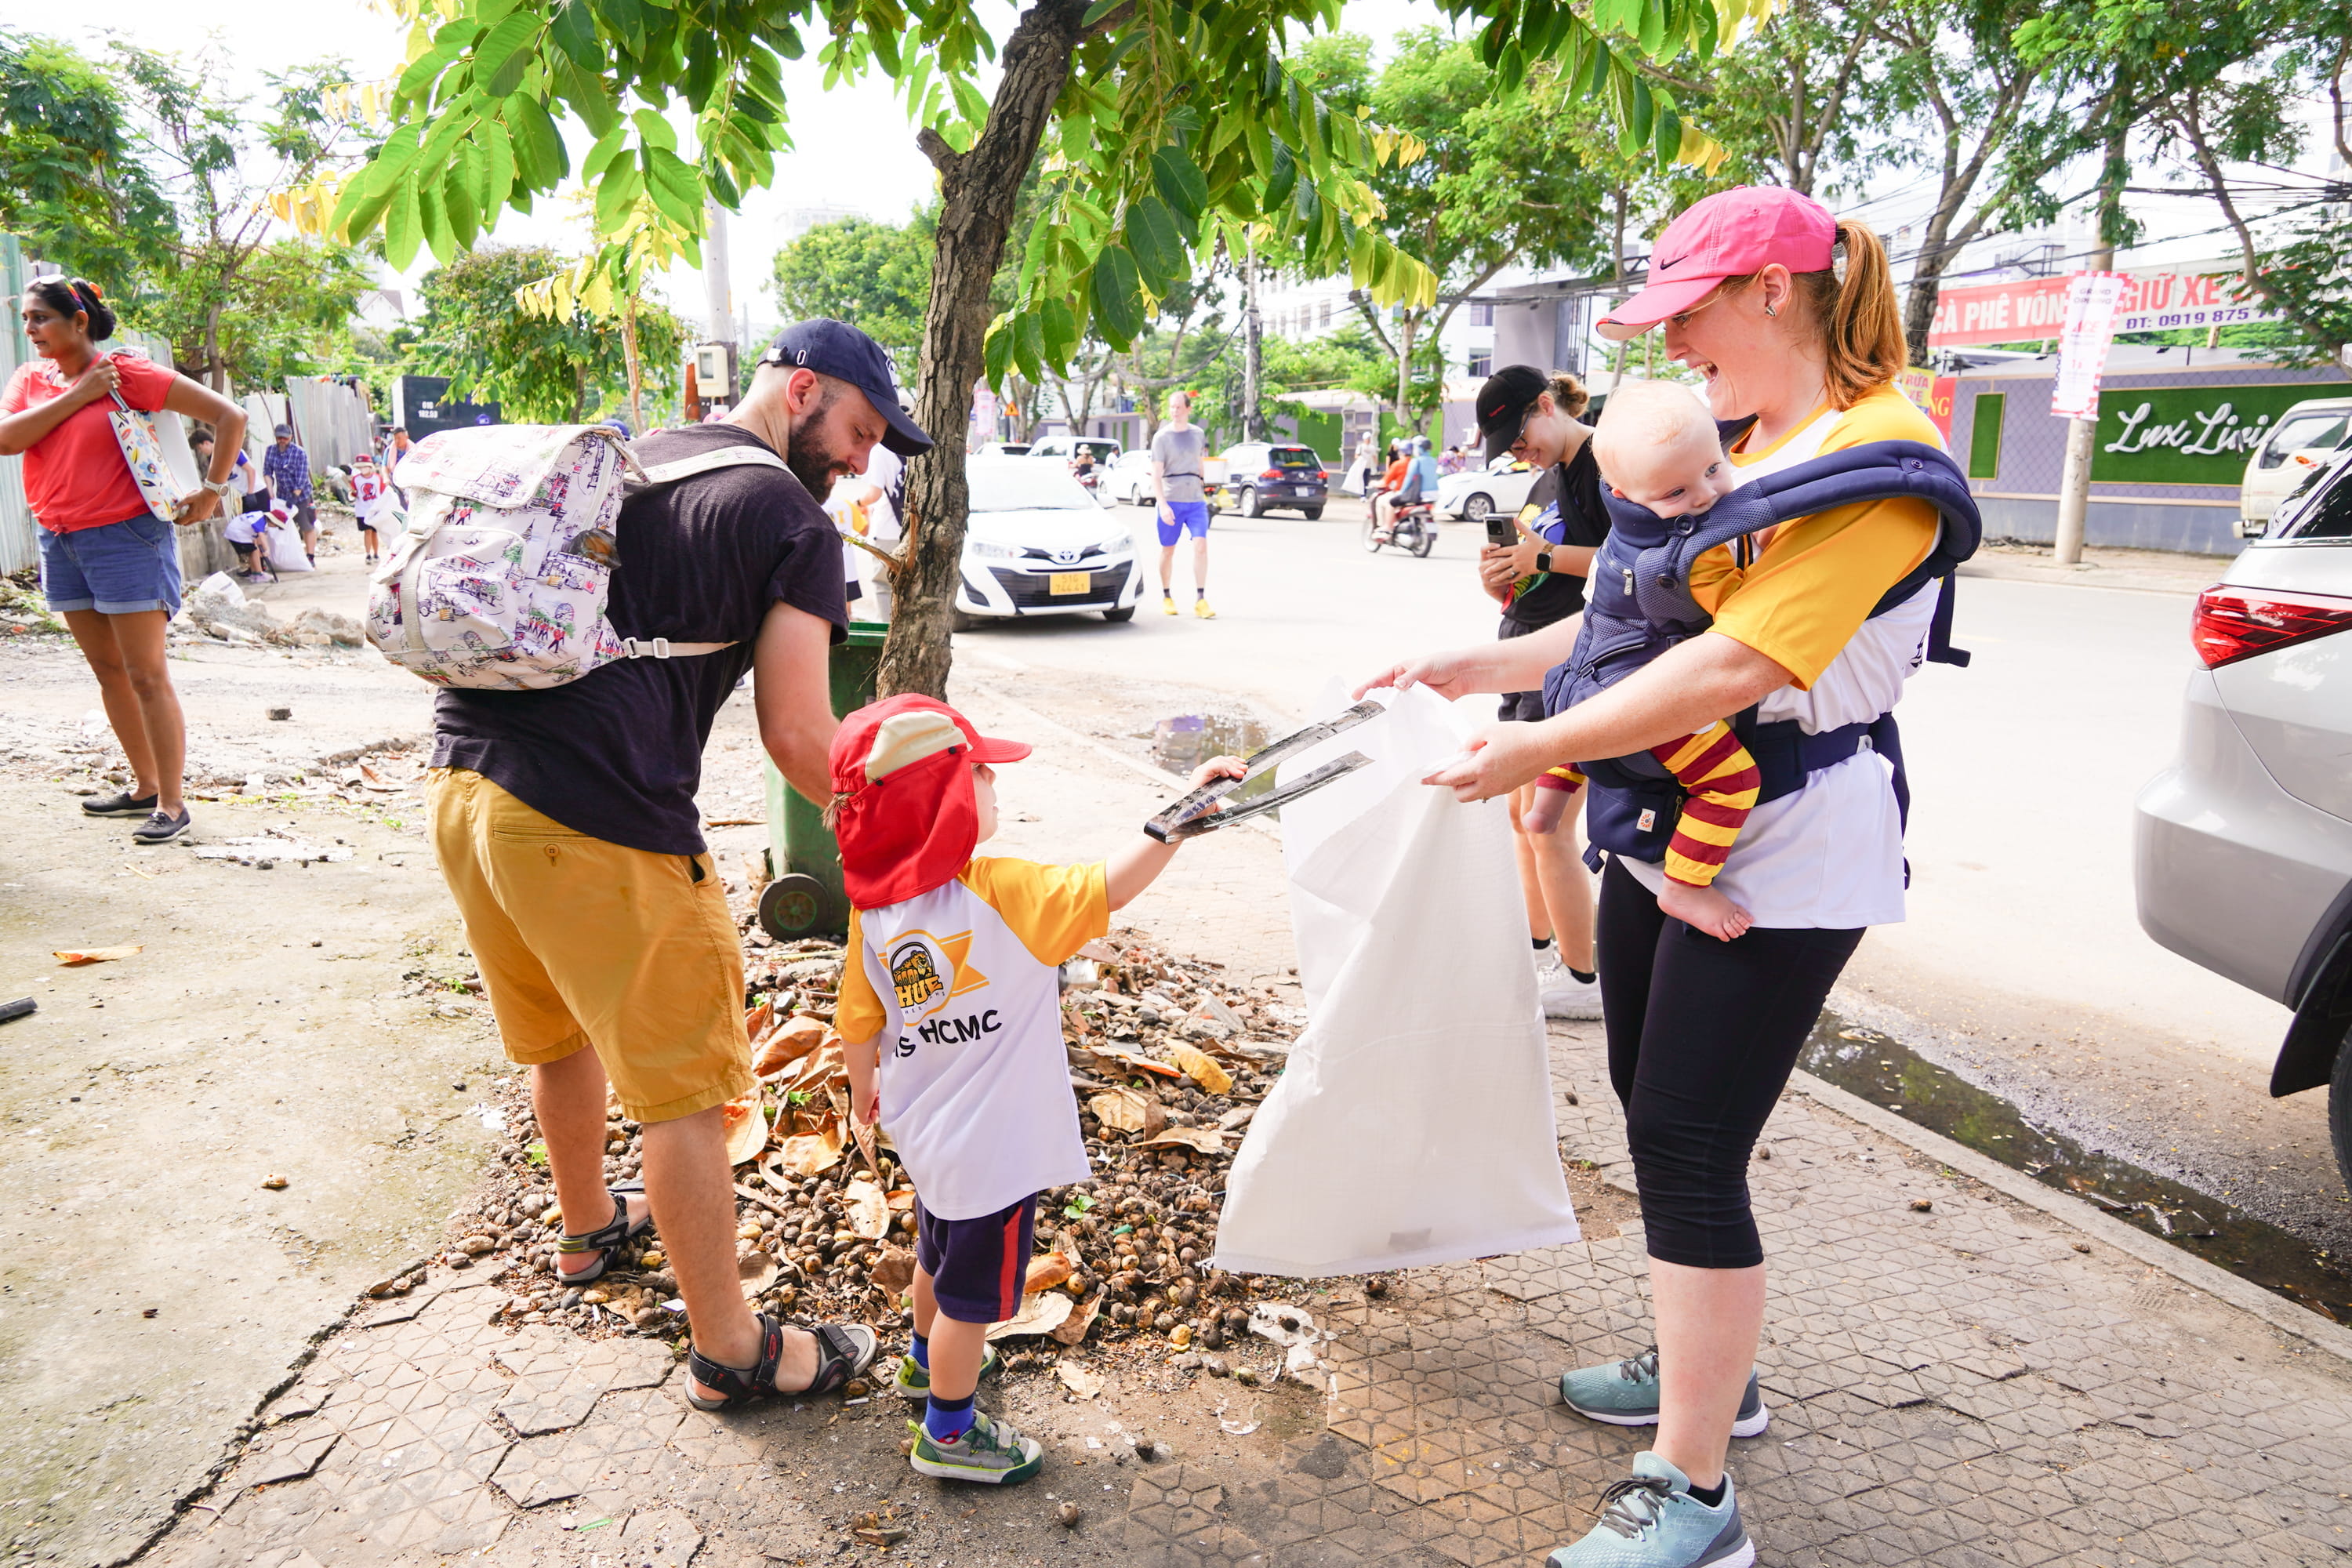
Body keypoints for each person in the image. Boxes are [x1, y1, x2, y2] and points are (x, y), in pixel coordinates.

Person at [1360, 186, 1948, 1568]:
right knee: (1651, 1097)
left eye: (1689, 317)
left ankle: (1693, 1495)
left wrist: (1537, 748)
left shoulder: (1880, 457)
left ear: (1772, 292)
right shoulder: (1753, 440)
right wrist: (1485, 668)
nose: (1678, 350)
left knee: (1684, 1134)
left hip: (1785, 846)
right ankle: (1713, 1380)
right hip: (1668, 814)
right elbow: (1639, 638)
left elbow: (1740, 666)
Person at [424, 318, 932, 1412]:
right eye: (857, 430)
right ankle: (734, 1353)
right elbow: (800, 737)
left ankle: (586, 1229)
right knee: (690, 1094)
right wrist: (906, 830)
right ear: (803, 392)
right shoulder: (788, 519)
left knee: (563, 1031)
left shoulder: (647, 453)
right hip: (591, 819)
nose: (859, 462)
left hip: (468, 787)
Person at [829, 692, 1244, 1483]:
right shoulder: (1002, 890)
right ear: (944, 801)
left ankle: (922, 1367)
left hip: (930, 1135)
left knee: (936, 1256)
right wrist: (1180, 818)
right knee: (973, 1299)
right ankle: (947, 1434)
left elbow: (857, 1020)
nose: (995, 786)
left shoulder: (875, 909)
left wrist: (861, 1097)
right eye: (982, 773)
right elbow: (1109, 887)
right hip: (997, 1149)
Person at [0, 277, 248, 845]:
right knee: (108, 671)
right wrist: (79, 396)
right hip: (60, 539)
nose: (31, 330)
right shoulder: (32, 378)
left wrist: (213, 490)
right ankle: (143, 787)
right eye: (27, 320)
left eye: (41, 318)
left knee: (145, 674)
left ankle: (172, 801)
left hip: (126, 538)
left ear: (79, 320)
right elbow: (7, 439)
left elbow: (229, 415)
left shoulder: (126, 374)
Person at [1469, 365, 1608, 1018]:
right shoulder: (1547, 479)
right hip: (1527, 655)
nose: (1517, 454)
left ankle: (1585, 979)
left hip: (1580, 665)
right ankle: (1535, 946)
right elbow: (1531, 565)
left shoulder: (1610, 464)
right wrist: (1500, 572)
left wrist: (1541, 559)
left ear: (1547, 407)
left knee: (1544, 821)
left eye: (1520, 438)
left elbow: (1632, 562)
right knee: (1520, 818)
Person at [1150, 391, 1214, 618]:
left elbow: (1200, 463)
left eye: (1178, 407)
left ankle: (1200, 599)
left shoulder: (1198, 434)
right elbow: (1156, 475)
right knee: (1168, 550)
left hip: (1195, 500)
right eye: (1172, 407)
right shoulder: (1162, 437)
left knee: (1201, 546)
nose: (1174, 411)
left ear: (1188, 408)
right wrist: (1163, 505)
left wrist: (1205, 487)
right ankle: (1167, 596)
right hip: (1171, 499)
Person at [262, 423, 318, 565]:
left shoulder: (299, 453)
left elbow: (302, 477)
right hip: (281, 495)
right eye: (279, 438)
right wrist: (270, 491)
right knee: (281, 528)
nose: (282, 440)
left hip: (302, 495)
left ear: (291, 437)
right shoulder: (271, 451)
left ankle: (310, 557)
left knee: (306, 526)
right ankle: (285, 557)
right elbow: (267, 472)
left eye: (285, 438)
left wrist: (294, 497)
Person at [1370, 435, 1437, 544]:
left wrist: (1402, 492)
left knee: (1389, 502)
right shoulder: (1433, 461)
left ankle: (1387, 527)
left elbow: (1409, 479)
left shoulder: (1414, 462)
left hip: (1413, 494)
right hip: (1432, 496)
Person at [349, 450, 394, 564]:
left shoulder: (377, 478)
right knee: (367, 531)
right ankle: (368, 554)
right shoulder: (356, 479)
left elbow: (383, 493)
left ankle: (376, 553)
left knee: (375, 532)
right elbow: (354, 492)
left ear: (370, 466)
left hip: (375, 509)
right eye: (360, 467)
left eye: (364, 466)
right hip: (362, 509)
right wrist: (353, 494)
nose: (363, 469)